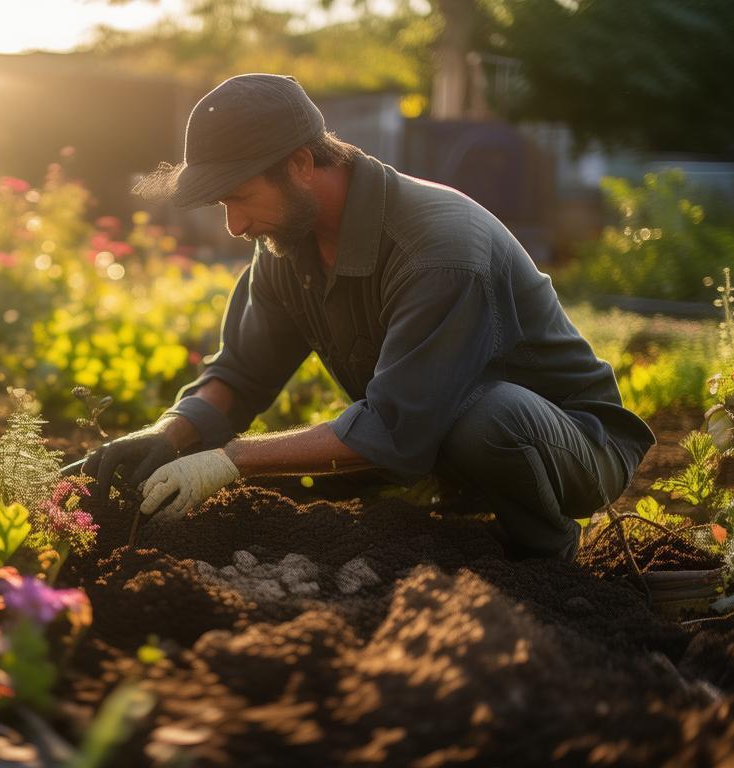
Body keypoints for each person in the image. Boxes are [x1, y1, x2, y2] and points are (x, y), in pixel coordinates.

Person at [82, 73, 655, 561]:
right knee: (305, 477)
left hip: (570, 445)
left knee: (488, 417)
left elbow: (392, 428)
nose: (234, 225)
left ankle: (546, 560)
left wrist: (232, 459)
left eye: (239, 196)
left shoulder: (439, 249)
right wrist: (167, 435)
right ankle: (450, 519)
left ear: (301, 163)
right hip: (431, 440)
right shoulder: (287, 241)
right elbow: (239, 375)